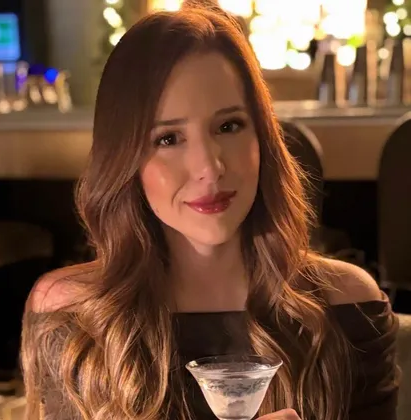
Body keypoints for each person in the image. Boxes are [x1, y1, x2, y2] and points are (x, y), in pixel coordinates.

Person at [21, 4, 399, 420]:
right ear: (125, 159)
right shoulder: (73, 315)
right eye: (168, 138)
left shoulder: (349, 306)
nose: (210, 167)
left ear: (262, 138)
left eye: (228, 126)